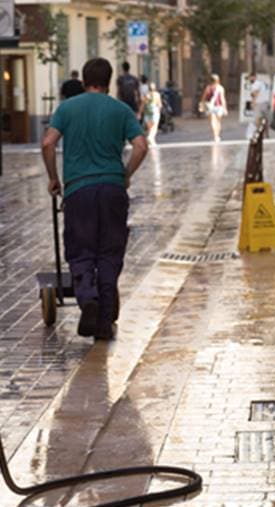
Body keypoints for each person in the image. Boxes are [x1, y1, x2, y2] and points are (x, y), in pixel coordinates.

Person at [40, 58, 149, 341]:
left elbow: (48, 143)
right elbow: (140, 145)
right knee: (110, 251)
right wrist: (125, 174)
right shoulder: (121, 110)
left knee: (81, 249)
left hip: (79, 190)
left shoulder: (67, 108)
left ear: (85, 79)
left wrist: (54, 178)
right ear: (110, 81)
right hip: (112, 188)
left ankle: (87, 297)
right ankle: (104, 318)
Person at [202, 74, 227, 142]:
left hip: (210, 106)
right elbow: (222, 99)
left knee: (212, 122)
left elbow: (204, 97)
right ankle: (217, 136)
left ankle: (215, 136)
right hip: (219, 106)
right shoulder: (221, 88)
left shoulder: (208, 87)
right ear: (218, 80)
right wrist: (225, 108)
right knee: (218, 122)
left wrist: (202, 105)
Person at [144, 81, 162, 147]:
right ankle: (150, 138)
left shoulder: (146, 95)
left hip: (147, 113)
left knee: (150, 128)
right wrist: (159, 111)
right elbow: (159, 104)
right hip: (155, 112)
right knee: (154, 127)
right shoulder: (157, 94)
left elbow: (143, 104)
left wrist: (140, 113)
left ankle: (152, 141)